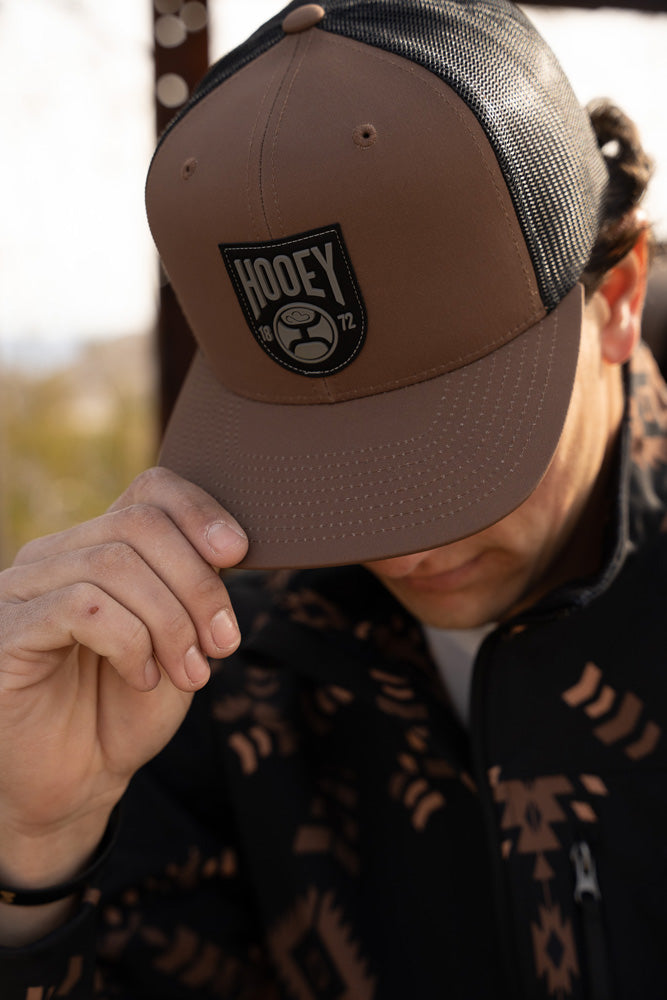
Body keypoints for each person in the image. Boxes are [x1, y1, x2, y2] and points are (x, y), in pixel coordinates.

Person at [1, 1, 665, 997]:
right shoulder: (201, 671)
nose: (396, 553)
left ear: (613, 298)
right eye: (321, 464)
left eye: (456, 447)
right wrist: (37, 850)